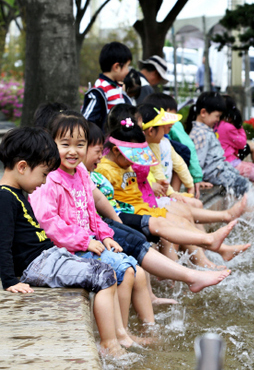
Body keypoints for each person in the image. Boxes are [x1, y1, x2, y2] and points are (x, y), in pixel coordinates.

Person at [0, 127, 130, 357]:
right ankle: (109, 344)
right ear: (22, 167)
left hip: (48, 257)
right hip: (37, 265)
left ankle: (118, 337)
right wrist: (10, 280)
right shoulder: (5, 197)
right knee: (104, 276)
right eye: (42, 174)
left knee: (106, 271)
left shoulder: (19, 192)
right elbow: (2, 242)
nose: (43, 182)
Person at [29, 112, 156, 331]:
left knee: (130, 268)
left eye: (80, 144)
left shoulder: (80, 172)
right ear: (51, 144)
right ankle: (119, 334)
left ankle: (127, 331)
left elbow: (91, 213)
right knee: (124, 270)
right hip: (65, 250)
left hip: (88, 242)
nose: (73, 151)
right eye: (65, 144)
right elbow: (47, 222)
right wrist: (85, 242)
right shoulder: (49, 178)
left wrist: (105, 235)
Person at [83, 122, 233, 300]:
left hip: (134, 210)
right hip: (124, 215)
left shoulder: (121, 167)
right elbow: (103, 201)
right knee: (157, 230)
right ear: (116, 151)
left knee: (173, 223)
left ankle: (208, 249)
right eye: (97, 152)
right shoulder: (103, 170)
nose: (100, 157)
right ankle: (208, 243)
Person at [142, 92, 209, 193]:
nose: (173, 123)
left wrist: (189, 184)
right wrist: (172, 193)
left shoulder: (165, 142)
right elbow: (156, 172)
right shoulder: (146, 147)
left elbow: (179, 163)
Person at [82, 42, 132, 129]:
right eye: (127, 66)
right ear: (116, 67)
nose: (128, 71)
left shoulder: (116, 87)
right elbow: (87, 122)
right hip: (106, 141)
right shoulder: (100, 90)